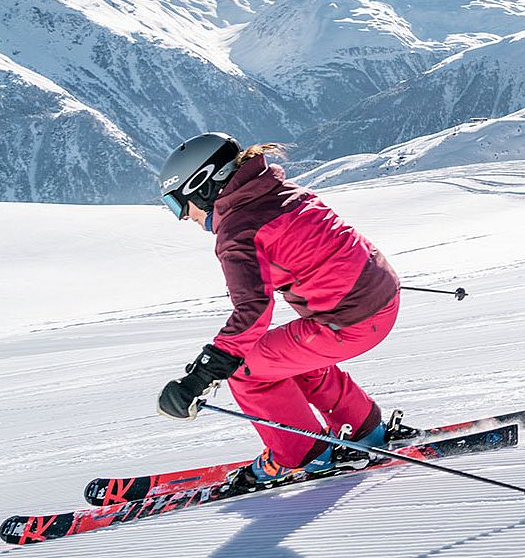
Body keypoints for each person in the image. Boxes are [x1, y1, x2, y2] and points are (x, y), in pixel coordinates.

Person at [154, 132, 402, 487]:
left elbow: (252, 311)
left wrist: (202, 375)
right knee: (288, 360)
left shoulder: (239, 230)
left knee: (246, 371)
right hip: (381, 298)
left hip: (350, 321)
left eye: (177, 204)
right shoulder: (278, 191)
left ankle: (300, 456)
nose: (181, 217)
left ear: (203, 186)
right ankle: (365, 431)